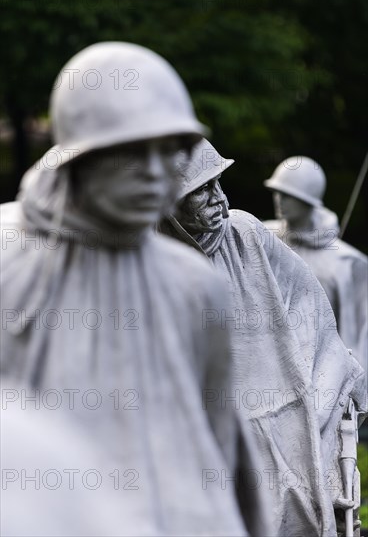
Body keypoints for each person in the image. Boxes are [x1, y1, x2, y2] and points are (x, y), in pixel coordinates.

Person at [0, 43, 267, 536]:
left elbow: (220, 440)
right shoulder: (8, 258)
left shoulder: (194, 285)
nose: (154, 171)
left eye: (169, 151)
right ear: (79, 156)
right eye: (132, 151)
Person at [161, 138, 367, 536]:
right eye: (201, 190)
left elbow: (313, 315)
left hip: (281, 405)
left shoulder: (247, 233)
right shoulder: (153, 264)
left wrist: (334, 381)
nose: (219, 199)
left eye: (218, 183)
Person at [263, 156, 368, 384]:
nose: (279, 200)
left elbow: (357, 335)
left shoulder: (346, 263)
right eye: (277, 192)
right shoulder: (261, 241)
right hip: (267, 369)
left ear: (307, 199)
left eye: (288, 195)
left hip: (320, 378)